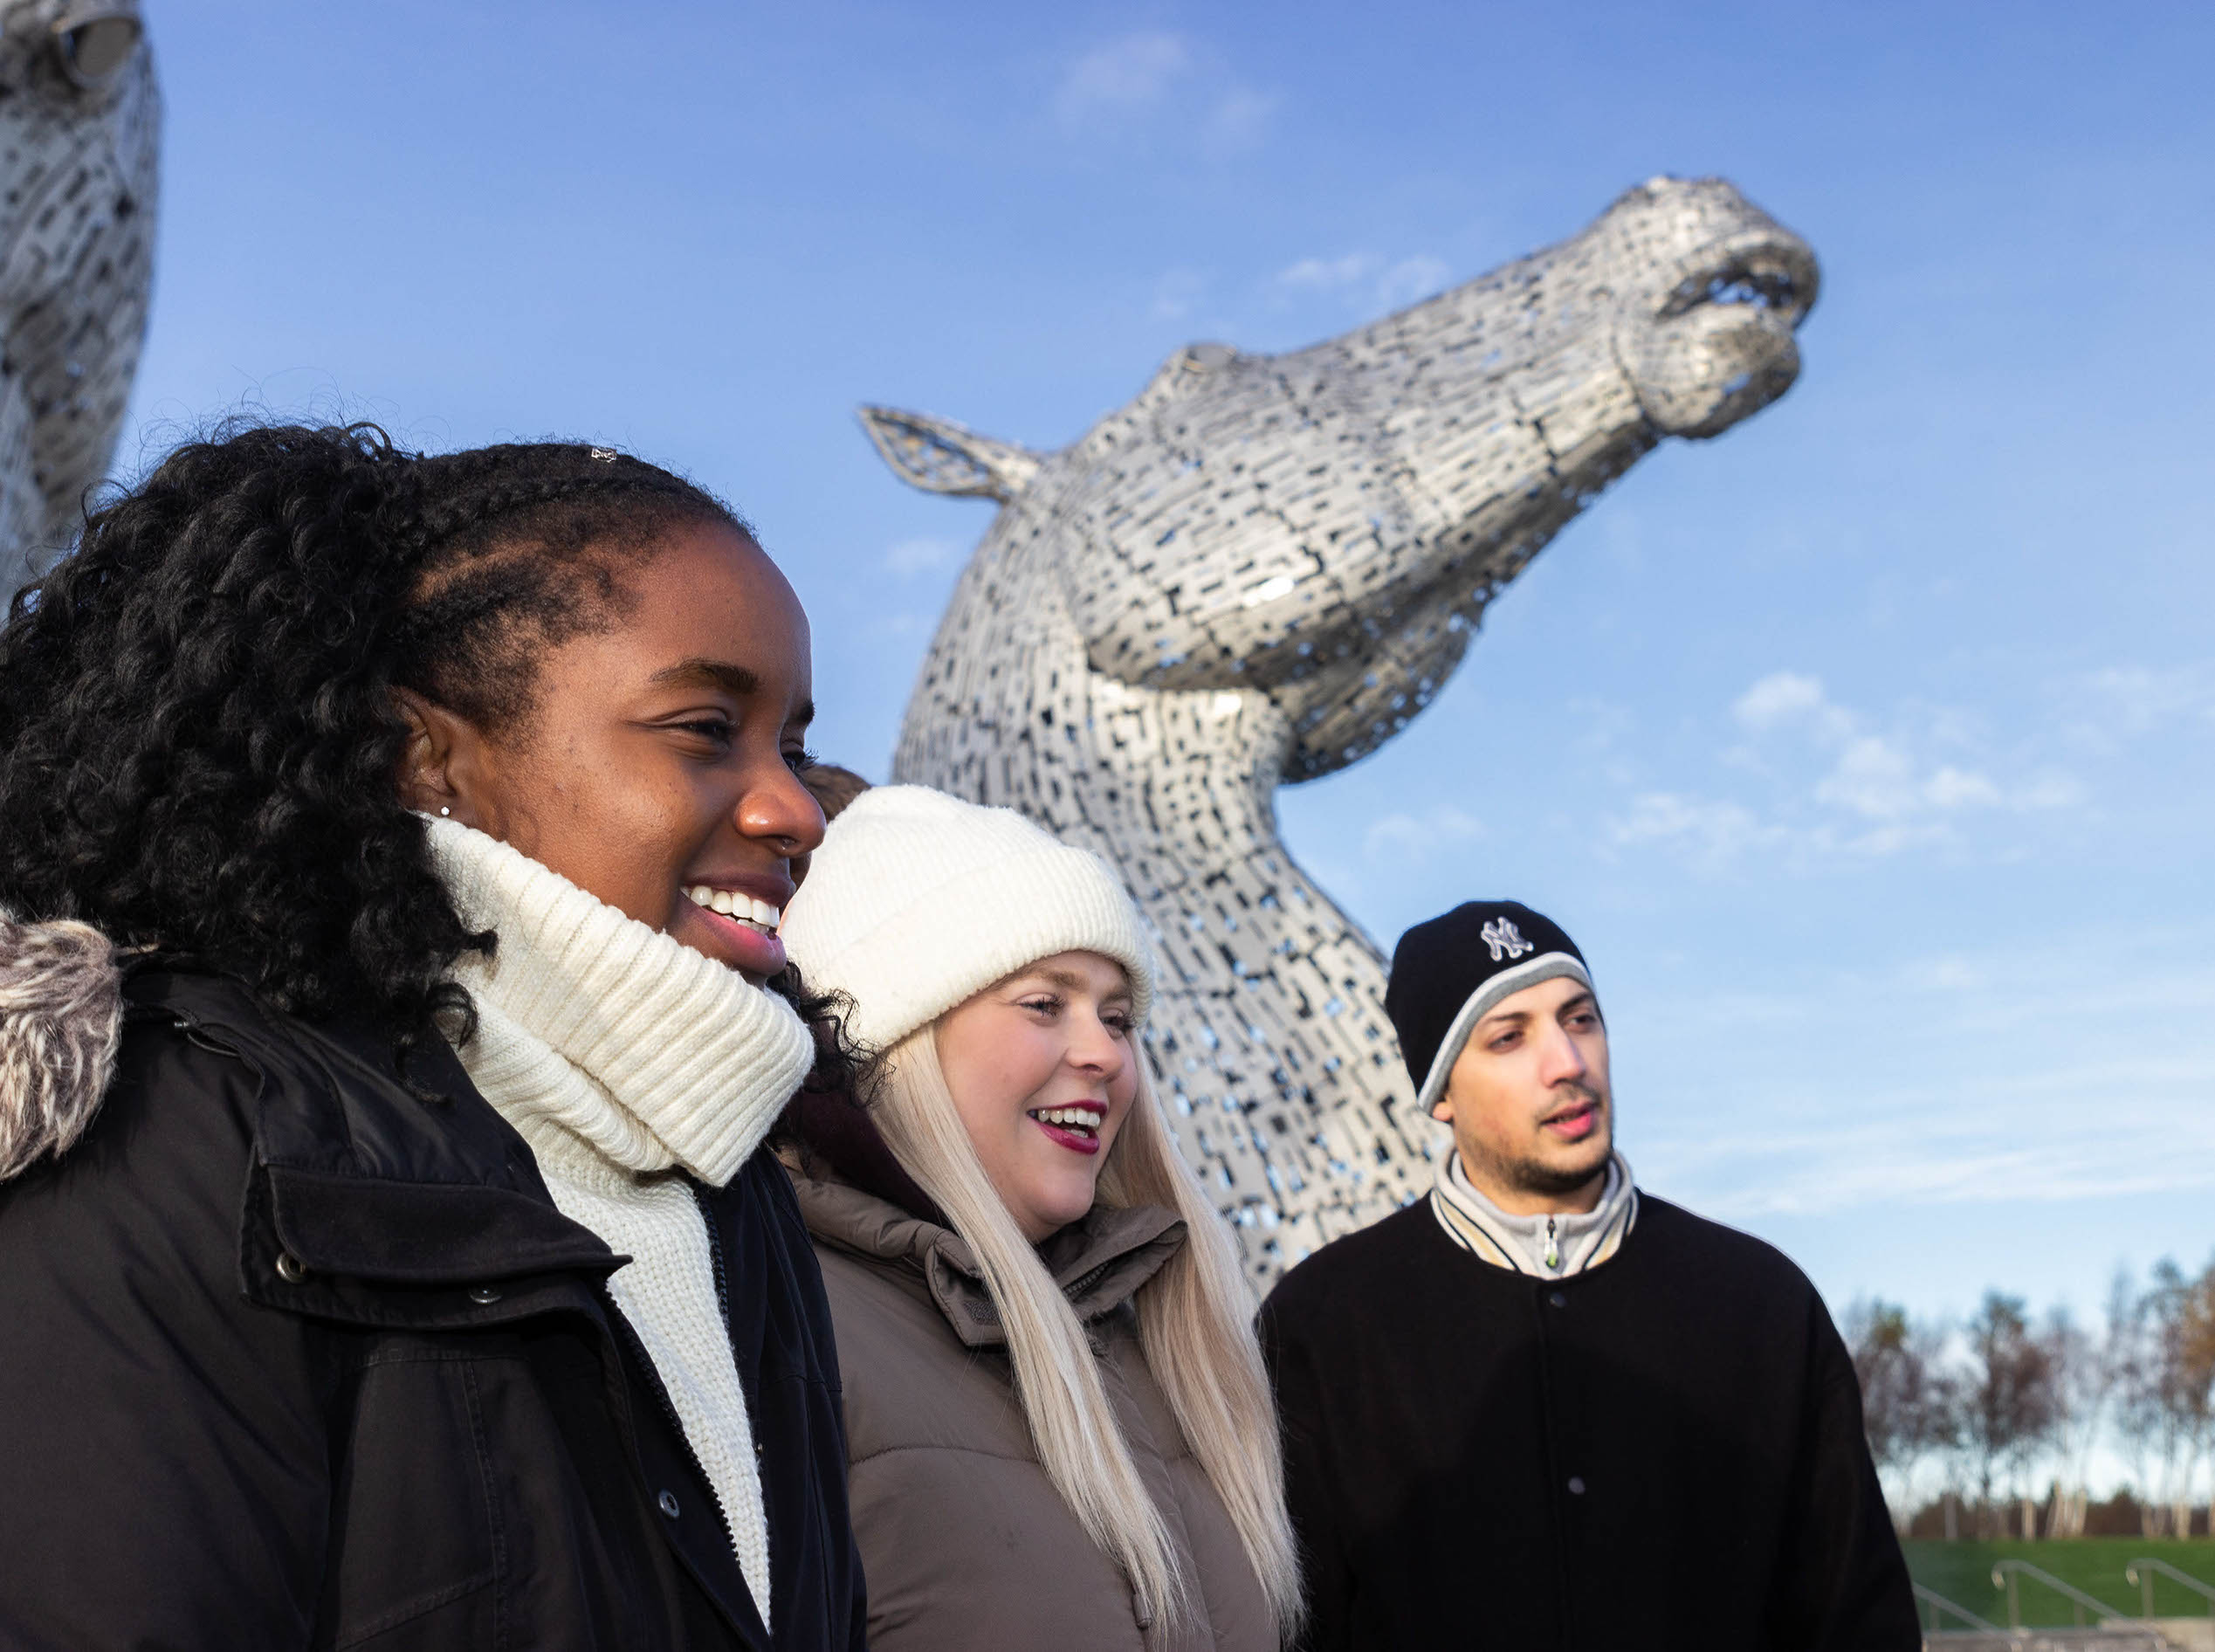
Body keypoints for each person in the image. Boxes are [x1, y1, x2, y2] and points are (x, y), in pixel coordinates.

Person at [0, 424, 865, 1649]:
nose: (793, 810)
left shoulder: (739, 1200)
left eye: (794, 742)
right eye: (704, 729)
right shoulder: (181, 1132)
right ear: (427, 757)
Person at [1258, 900, 1919, 1650]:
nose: (1567, 1063)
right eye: (1508, 1037)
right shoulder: (1322, 1326)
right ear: (1438, 1093)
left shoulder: (1761, 1305)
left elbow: (1857, 1619)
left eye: (1579, 1019)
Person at [777, 784, 1302, 1652]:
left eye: (1118, 1015)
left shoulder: (1166, 1347)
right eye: (1043, 1002)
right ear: (900, 1039)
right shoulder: (789, 1327)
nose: (1104, 1051)